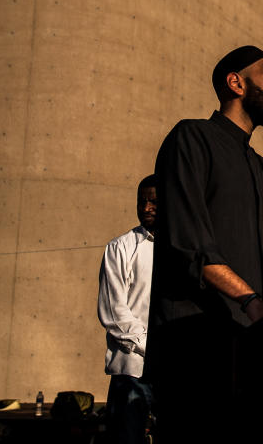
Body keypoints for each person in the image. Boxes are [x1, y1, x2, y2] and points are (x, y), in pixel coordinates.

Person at [145, 45, 263, 438]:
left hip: (258, 350)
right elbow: (190, 244)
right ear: (236, 82)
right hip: (198, 348)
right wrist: (250, 301)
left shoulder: (262, 169)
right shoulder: (191, 138)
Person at [97, 174, 160, 444]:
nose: (145, 208)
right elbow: (114, 314)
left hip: (172, 371)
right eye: (141, 201)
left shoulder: (183, 249)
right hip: (132, 372)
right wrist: (155, 348)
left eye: (154, 202)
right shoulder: (120, 248)